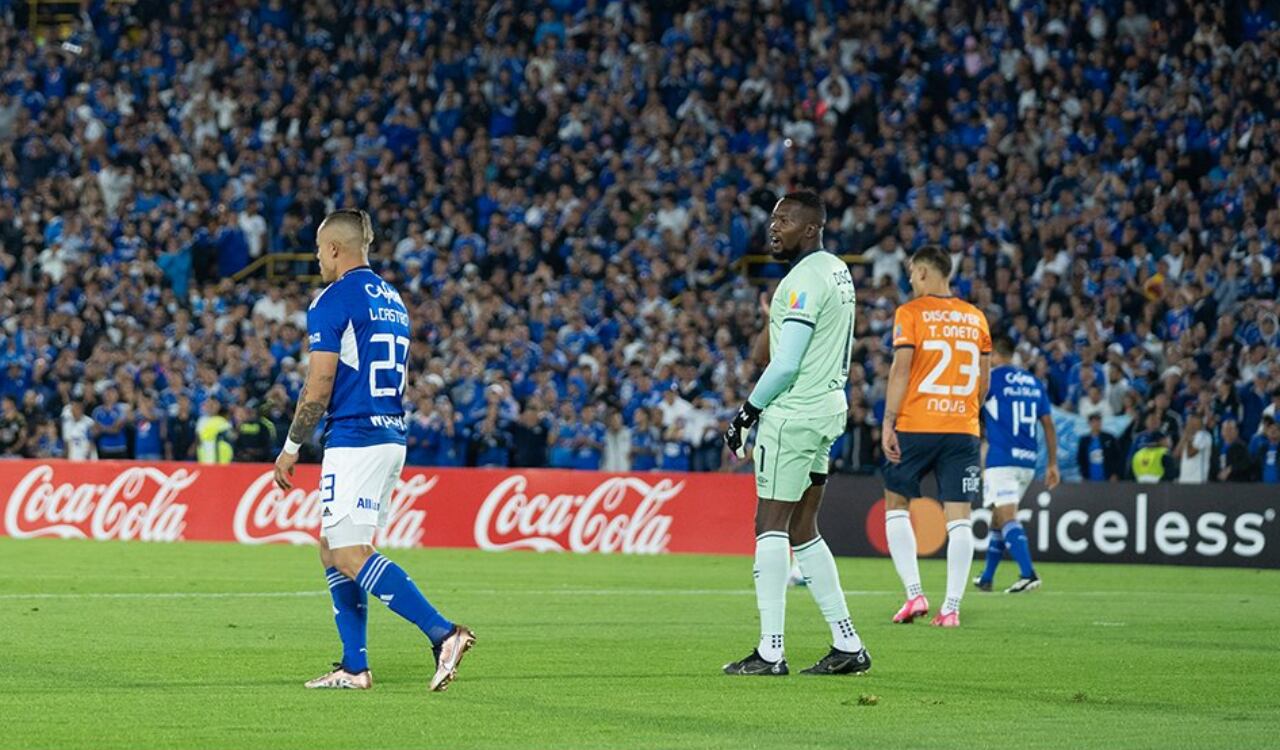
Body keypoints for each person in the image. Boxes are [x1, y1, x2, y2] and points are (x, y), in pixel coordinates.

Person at [272, 209, 473, 693]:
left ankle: (443, 632)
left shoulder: (331, 301)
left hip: (355, 437)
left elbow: (319, 383)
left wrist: (291, 445)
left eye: (320, 250)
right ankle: (354, 666)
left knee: (349, 553)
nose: (318, 258)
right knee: (333, 548)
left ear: (336, 249)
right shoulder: (393, 299)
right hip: (389, 434)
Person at [722, 192, 868, 676]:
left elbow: (783, 363)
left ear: (811, 228)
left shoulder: (802, 281)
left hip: (795, 413)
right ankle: (848, 644)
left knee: (769, 525)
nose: (773, 228)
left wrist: (746, 413)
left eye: (784, 220)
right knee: (804, 529)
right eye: (772, 219)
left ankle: (771, 650)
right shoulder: (836, 270)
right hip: (829, 407)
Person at [880, 245, 992, 628]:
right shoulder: (976, 318)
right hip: (962, 429)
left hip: (915, 424)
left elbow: (900, 371)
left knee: (896, 504)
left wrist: (888, 422)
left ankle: (914, 595)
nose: (910, 279)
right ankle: (951, 608)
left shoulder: (910, 314)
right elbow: (983, 379)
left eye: (912, 272)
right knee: (959, 516)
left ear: (925, 273)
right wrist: (965, 413)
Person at [974, 336, 1059, 594]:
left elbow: (972, 409)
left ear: (995, 354)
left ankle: (1028, 573)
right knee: (998, 517)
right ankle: (987, 577)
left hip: (1001, 459)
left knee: (1007, 516)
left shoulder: (990, 380)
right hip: (1028, 460)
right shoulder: (1033, 382)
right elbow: (1047, 423)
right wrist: (1052, 463)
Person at [1077, 413, 1120, 481]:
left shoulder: (1109, 438)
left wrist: (1114, 473)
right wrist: (1084, 475)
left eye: (1098, 421)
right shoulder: (1084, 440)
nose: (1096, 424)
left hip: (1107, 476)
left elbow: (1116, 456)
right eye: (1093, 422)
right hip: (1090, 477)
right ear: (1089, 423)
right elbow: (1080, 458)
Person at [1175, 412, 1213, 484]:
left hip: (1198, 480)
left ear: (1201, 424)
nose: (1192, 426)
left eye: (1195, 424)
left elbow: (1191, 454)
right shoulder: (1188, 437)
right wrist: (1184, 437)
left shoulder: (1204, 436)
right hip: (1184, 479)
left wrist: (1188, 437)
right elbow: (1176, 454)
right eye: (1190, 423)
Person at [93, 387, 130, 460]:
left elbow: (116, 430)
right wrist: (110, 428)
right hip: (104, 448)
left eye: (112, 393)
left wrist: (102, 429)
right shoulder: (97, 411)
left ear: (117, 395)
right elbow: (95, 432)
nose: (109, 396)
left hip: (120, 448)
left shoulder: (122, 409)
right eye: (107, 394)